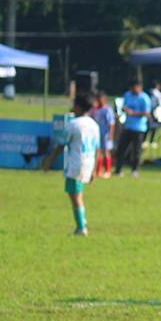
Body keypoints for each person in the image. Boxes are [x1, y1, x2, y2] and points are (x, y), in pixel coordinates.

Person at [42, 94, 100, 236]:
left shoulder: (74, 124)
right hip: (89, 162)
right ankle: (82, 222)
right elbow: (98, 149)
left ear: (78, 107)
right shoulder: (94, 124)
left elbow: (61, 145)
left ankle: (81, 227)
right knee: (77, 194)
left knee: (75, 196)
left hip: (77, 163)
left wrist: (49, 161)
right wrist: (94, 170)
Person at [115, 79, 151, 177]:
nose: (132, 90)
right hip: (127, 126)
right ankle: (118, 169)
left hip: (139, 128)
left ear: (138, 87)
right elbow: (124, 106)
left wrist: (133, 113)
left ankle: (135, 169)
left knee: (136, 150)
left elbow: (147, 113)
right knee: (122, 148)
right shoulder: (127, 95)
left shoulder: (144, 98)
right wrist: (124, 109)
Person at [91, 91, 116, 177]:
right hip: (97, 134)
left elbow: (111, 123)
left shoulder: (108, 110)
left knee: (106, 151)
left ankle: (108, 171)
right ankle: (98, 170)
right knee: (98, 151)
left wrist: (111, 134)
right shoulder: (94, 109)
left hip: (105, 134)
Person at [146, 79, 161, 147]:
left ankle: (145, 140)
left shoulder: (148, 92)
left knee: (148, 127)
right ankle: (151, 141)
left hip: (149, 112)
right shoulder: (158, 94)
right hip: (155, 113)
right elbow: (159, 103)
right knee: (154, 127)